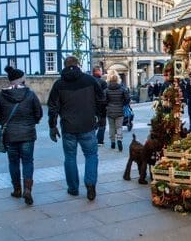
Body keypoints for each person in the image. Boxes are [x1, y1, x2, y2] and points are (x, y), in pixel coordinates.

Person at [48, 56, 105, 200]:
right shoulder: (90, 80)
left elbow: (53, 107)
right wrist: (101, 117)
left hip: (68, 126)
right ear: (78, 65)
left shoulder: (59, 84)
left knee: (70, 157)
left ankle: (73, 188)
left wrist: (52, 126)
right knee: (91, 155)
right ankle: (90, 185)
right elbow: (101, 100)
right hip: (88, 125)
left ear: (64, 66)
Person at [0, 66, 43, 205]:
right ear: (21, 80)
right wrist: (32, 122)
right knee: (27, 161)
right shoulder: (30, 94)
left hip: (10, 135)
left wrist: (4, 123)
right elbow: (38, 113)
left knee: (13, 162)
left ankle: (17, 189)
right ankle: (28, 189)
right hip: (27, 134)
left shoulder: (1, 95)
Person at [105, 69, 130, 151]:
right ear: (118, 79)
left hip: (110, 111)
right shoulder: (122, 89)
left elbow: (104, 100)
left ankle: (112, 142)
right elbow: (127, 99)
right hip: (119, 110)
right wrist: (122, 103)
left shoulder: (107, 90)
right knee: (119, 127)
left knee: (112, 127)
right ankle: (119, 139)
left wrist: (107, 106)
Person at [92, 66, 107, 146]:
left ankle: (92, 139)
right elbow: (105, 95)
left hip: (91, 106)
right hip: (101, 106)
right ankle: (100, 141)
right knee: (102, 124)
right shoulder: (103, 82)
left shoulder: (89, 82)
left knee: (93, 124)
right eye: (101, 71)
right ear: (97, 71)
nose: (101, 72)